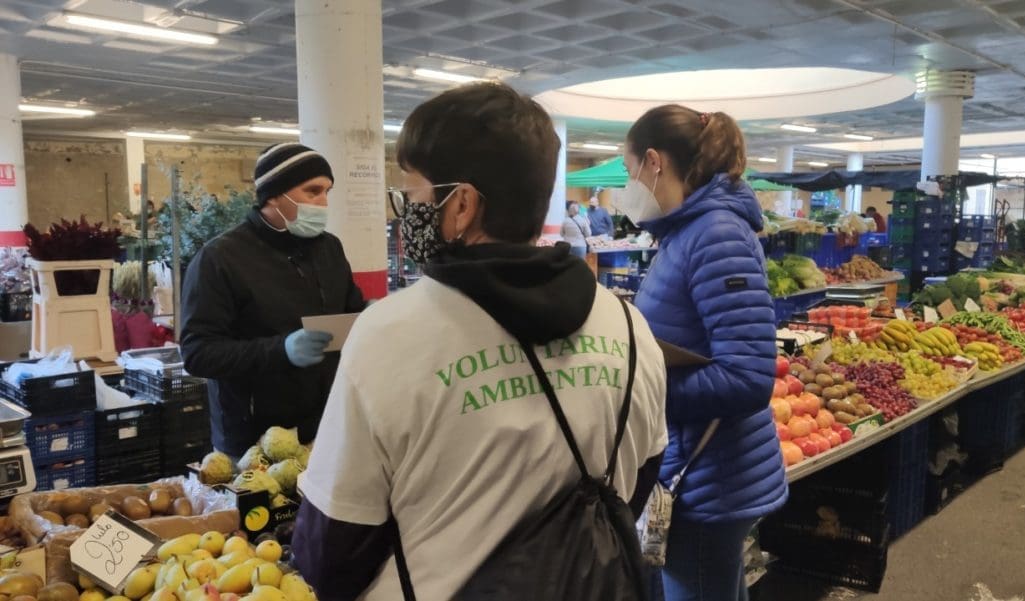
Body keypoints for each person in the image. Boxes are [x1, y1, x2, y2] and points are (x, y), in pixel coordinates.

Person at [292, 82, 668, 601]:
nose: (406, 211)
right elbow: (640, 477)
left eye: (413, 194)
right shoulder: (629, 327)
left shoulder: (388, 336)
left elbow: (330, 552)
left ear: (462, 204)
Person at [620, 107, 787, 601]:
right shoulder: (686, 233)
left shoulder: (715, 234)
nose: (629, 187)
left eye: (630, 171)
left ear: (654, 162)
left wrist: (642, 391)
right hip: (702, 467)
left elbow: (749, 378)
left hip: (709, 475)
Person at [180, 143, 366, 457]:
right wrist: (281, 350)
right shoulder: (221, 258)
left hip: (325, 427)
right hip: (254, 440)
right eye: (312, 191)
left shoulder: (329, 249)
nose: (323, 202)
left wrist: (371, 318)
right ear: (274, 195)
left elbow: (351, 312)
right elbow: (198, 352)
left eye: (327, 192)